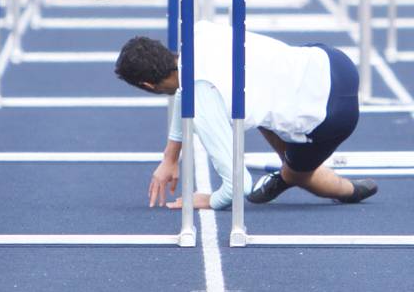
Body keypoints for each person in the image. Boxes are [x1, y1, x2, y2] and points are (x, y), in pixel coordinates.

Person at [114, 21, 378, 210]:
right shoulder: (200, 32)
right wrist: (170, 157)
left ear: (147, 85)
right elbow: (186, 88)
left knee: (298, 173)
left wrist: (208, 200)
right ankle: (292, 164)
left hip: (333, 114)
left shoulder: (203, 99)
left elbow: (238, 186)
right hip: (332, 62)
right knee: (256, 90)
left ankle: (341, 188)